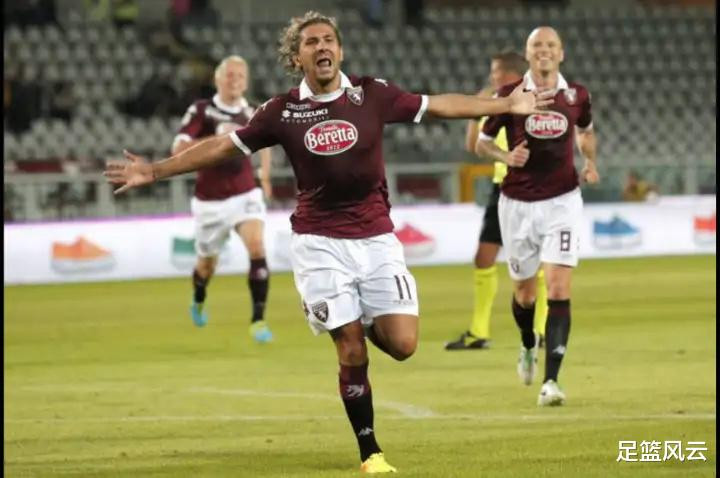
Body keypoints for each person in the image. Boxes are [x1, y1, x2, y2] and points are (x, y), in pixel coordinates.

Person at [105, 11, 552, 473]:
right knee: (351, 347)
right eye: (311, 42)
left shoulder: (372, 94)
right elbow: (223, 146)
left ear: (340, 50)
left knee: (403, 344)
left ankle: (354, 315)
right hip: (319, 243)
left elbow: (438, 105)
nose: (321, 47)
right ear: (296, 57)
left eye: (328, 40)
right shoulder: (281, 111)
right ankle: (370, 451)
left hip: (376, 239)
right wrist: (155, 170)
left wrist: (505, 105)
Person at [476, 27, 599, 406]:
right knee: (525, 295)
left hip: (562, 201)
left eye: (550, 45)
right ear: (528, 54)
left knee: (558, 288)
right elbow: (481, 143)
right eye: (537, 46)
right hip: (517, 204)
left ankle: (551, 382)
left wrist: (590, 161)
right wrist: (505, 156)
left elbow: (586, 131)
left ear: (561, 53)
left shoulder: (576, 95)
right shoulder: (509, 95)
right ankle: (528, 343)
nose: (544, 51)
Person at [445, 50, 549, 352]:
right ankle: (479, 332)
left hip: (531, 189)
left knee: (535, 262)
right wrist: (476, 112)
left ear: (511, 74)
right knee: (484, 258)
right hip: (501, 189)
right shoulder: (496, 102)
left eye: (496, 72)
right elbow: (473, 146)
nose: (492, 77)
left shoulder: (533, 100)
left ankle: (542, 330)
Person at [171, 55, 274, 343]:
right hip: (210, 202)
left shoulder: (253, 113)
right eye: (230, 75)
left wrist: (265, 175)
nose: (235, 80)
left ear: (246, 82)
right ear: (217, 79)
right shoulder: (202, 111)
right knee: (206, 265)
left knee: (257, 247)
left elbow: (266, 143)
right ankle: (199, 297)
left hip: (245, 193)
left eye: (240, 76)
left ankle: (258, 320)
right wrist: (218, 138)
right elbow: (178, 148)